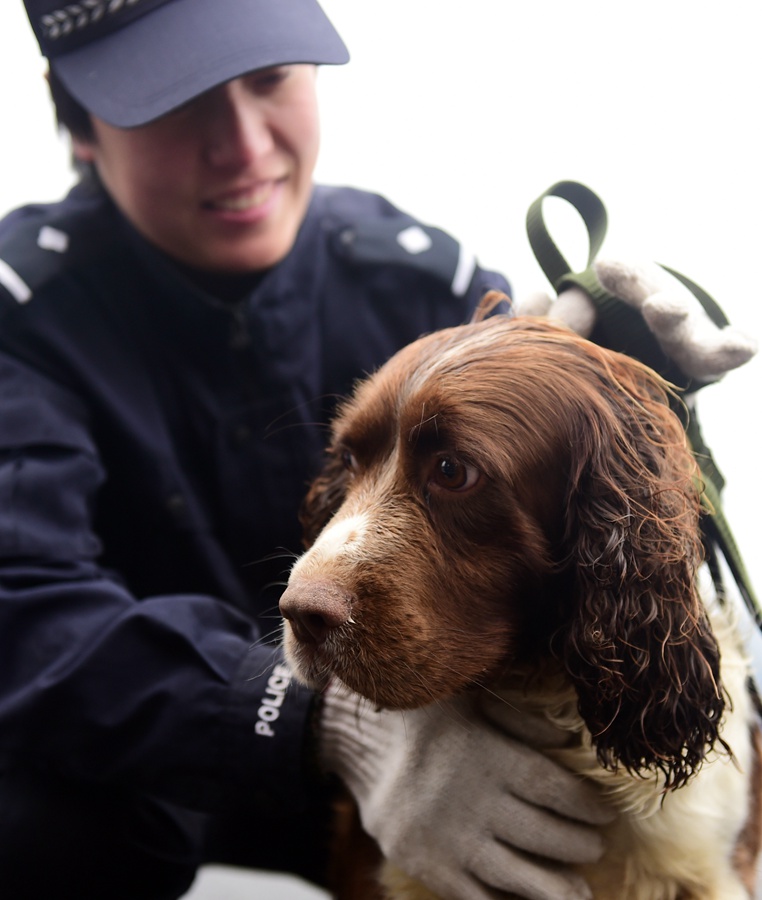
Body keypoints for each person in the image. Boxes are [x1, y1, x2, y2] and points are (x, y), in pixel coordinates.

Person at [0, 2, 665, 899]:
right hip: (162, 756)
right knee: (33, 823)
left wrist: (651, 391)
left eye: (269, 80)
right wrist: (329, 725)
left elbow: (590, 533)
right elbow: (24, 609)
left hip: (434, 727)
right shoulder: (20, 315)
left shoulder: (417, 277)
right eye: (174, 103)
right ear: (80, 124)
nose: (242, 146)